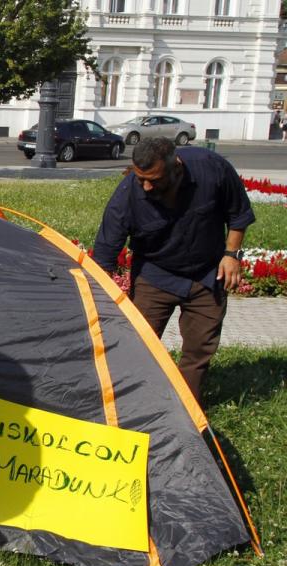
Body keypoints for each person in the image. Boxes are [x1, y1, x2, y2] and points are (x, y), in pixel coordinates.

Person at [92, 137, 255, 401]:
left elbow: (238, 214)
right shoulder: (128, 194)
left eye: (154, 180)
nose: (145, 187)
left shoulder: (211, 168)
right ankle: (131, 404)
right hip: (155, 275)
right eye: (140, 178)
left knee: (199, 350)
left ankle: (186, 413)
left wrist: (232, 255)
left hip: (207, 274)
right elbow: (105, 252)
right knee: (138, 345)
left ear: (176, 167)